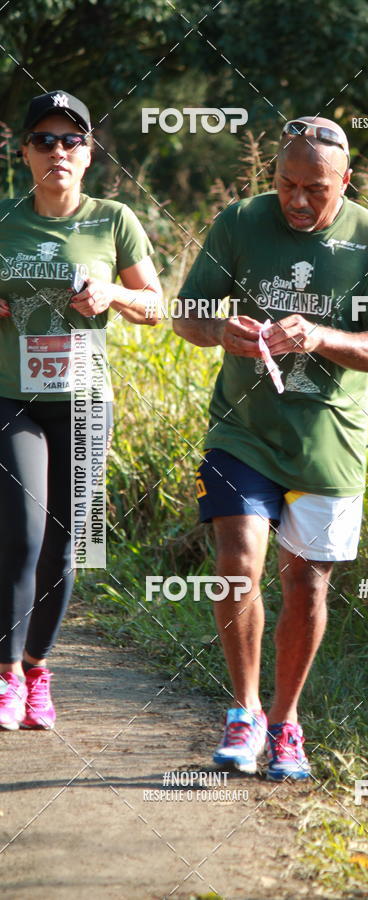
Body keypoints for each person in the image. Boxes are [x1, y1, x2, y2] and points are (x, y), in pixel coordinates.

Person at [173, 116, 368, 780]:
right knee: (237, 559)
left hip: (327, 442)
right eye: (286, 183)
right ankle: (244, 712)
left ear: (347, 182)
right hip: (242, 430)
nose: (299, 200)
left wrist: (320, 337)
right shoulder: (240, 222)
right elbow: (184, 313)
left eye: (316, 189)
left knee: (305, 584)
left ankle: (286, 723)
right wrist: (226, 332)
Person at [0, 90, 162, 730]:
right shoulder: (5, 220)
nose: (58, 151)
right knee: (22, 534)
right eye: (45, 139)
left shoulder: (114, 220)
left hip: (85, 403)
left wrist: (113, 293)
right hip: (12, 398)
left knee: (64, 547)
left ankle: (38, 670)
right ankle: (5, 676)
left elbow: (157, 306)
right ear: (24, 152)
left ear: (90, 153)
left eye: (71, 141)